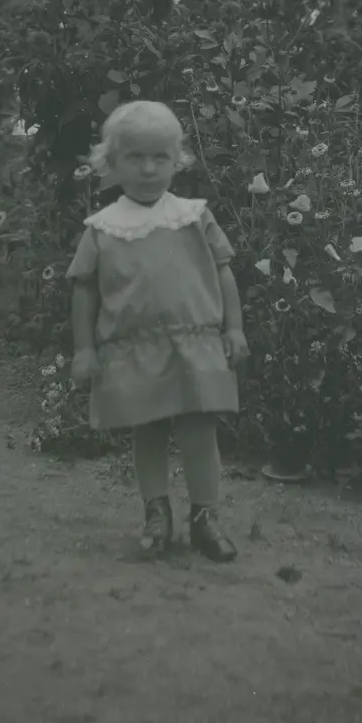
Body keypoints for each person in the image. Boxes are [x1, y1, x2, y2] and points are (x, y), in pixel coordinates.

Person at [67, 100, 248, 563]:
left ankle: (205, 516)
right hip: (135, 348)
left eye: (159, 157)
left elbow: (223, 271)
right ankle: (156, 513)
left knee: (199, 429)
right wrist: (84, 349)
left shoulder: (192, 215)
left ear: (177, 160)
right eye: (135, 158)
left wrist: (234, 328)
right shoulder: (103, 228)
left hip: (195, 341)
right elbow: (83, 289)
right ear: (111, 163)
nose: (148, 169)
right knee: (147, 430)